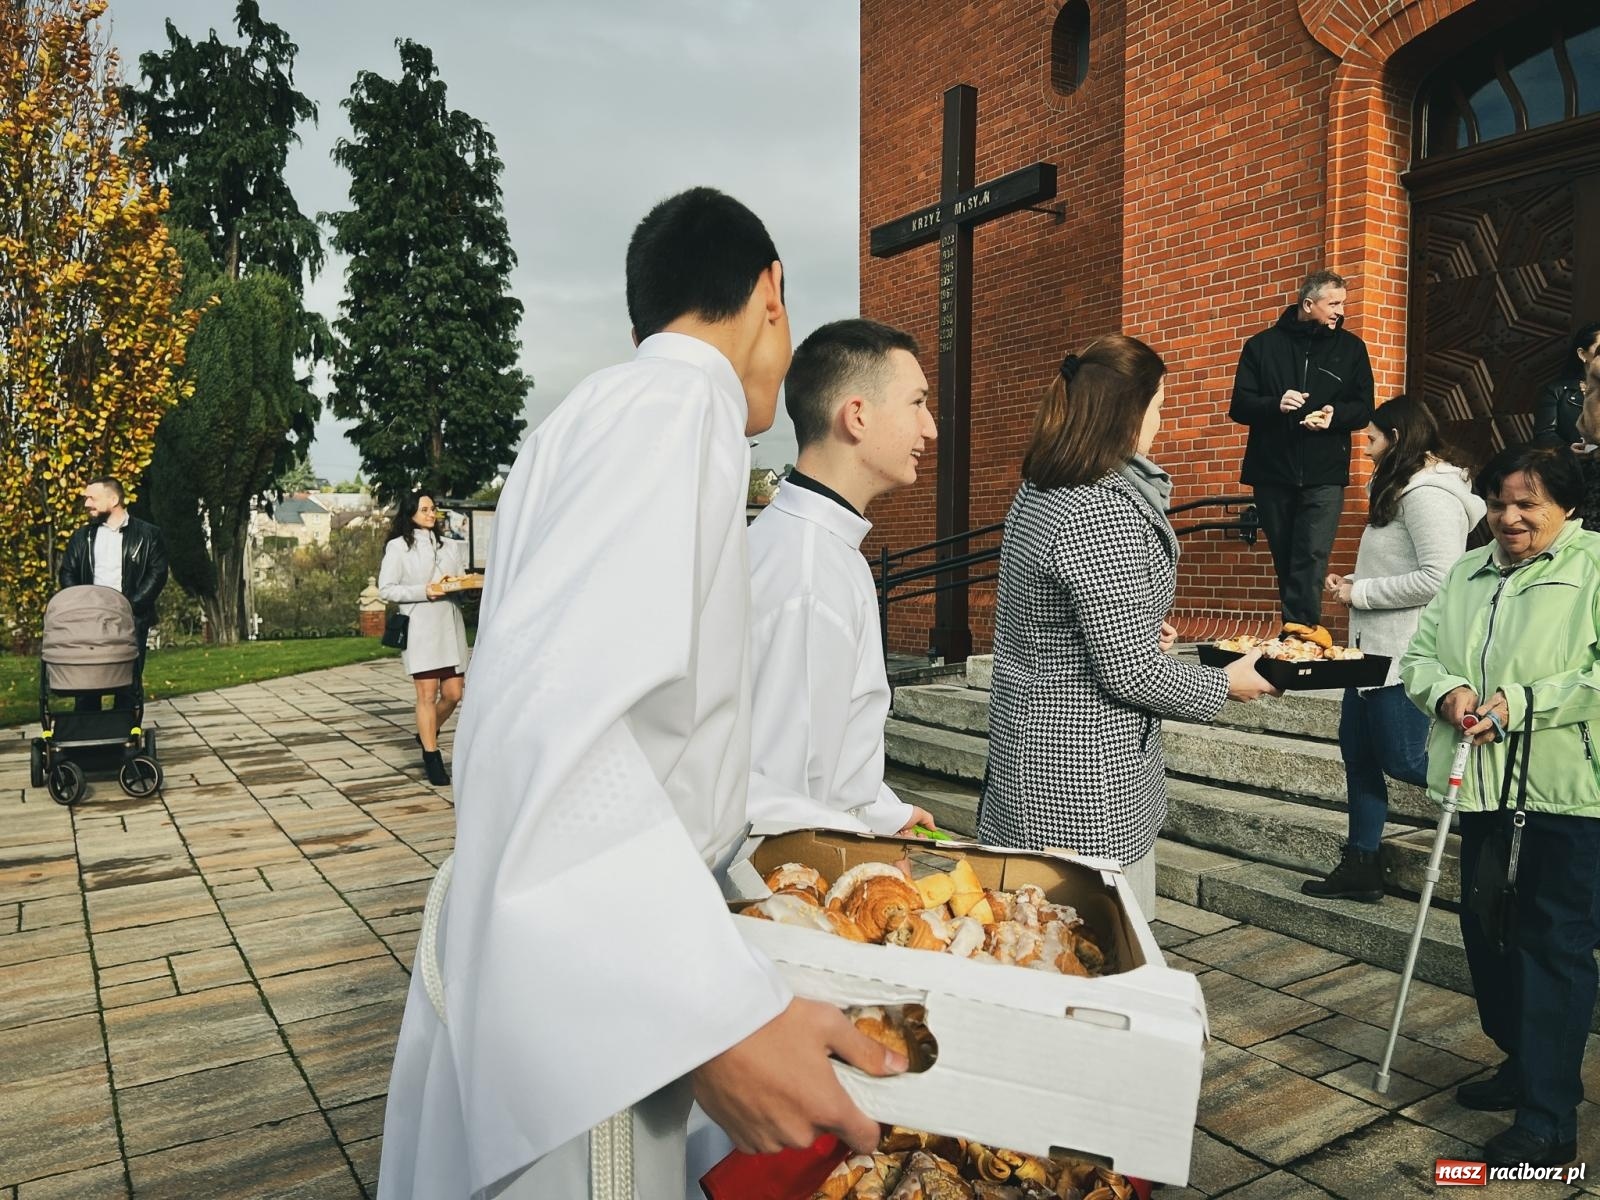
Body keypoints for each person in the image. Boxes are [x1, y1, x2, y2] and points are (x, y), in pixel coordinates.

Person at [376, 188, 902, 1200]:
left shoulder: (601, 412)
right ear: (771, 291)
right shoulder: (672, 409)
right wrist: (708, 1020)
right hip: (593, 989)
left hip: (583, 937)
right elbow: (550, 727)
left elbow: (653, 732)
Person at [976, 336, 1279, 917]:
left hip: (1033, 767)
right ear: (1131, 411)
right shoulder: (1100, 505)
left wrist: (1139, 626)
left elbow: (1050, 621)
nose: (1161, 423)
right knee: (1100, 969)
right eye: (1160, 406)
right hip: (1080, 789)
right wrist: (1227, 685)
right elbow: (1129, 672)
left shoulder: (1043, 487)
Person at [1401, 443, 1600, 1170]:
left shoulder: (1594, 566)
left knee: (1553, 946)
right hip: (1480, 786)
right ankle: (1522, 1062)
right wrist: (1446, 689)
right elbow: (1419, 658)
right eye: (1497, 503)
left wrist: (1524, 703)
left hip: (1566, 795)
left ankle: (1548, 1120)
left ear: (1568, 506)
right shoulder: (1467, 570)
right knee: (1489, 935)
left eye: (1527, 504)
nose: (1509, 518)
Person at [745, 318, 939, 837]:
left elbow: (826, 755)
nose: (930, 428)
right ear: (856, 416)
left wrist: (882, 811)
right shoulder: (808, 574)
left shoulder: (820, 546)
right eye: (917, 403)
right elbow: (777, 803)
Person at [1301, 396, 1484, 901]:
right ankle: (1361, 865)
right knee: (1357, 756)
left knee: (1403, 759)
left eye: (1373, 439)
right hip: (1366, 652)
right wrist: (1358, 581)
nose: (1366, 450)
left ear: (1398, 439)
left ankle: (1489, 814)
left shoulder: (1430, 496)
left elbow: (1439, 579)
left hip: (1404, 656)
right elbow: (1401, 569)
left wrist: (1359, 593)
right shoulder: (1400, 490)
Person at [1229, 270, 1375, 630]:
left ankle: (1301, 635)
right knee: (1285, 556)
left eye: (1343, 303)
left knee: (1311, 554)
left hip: (1325, 471)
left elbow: (1364, 408)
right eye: (1334, 303)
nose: (1341, 310)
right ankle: (1296, 631)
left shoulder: (1352, 348)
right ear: (1308, 304)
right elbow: (1240, 405)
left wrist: (1333, 416)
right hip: (1272, 469)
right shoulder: (1261, 346)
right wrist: (1274, 404)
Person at [378, 491, 469, 787]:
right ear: (411, 512)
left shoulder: (450, 546)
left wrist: (462, 585)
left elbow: (458, 578)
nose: (432, 514)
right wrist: (424, 591)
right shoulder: (398, 547)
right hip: (422, 629)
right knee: (426, 695)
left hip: (449, 626)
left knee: (455, 693)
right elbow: (387, 589)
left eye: (433, 509)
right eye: (425, 509)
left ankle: (426, 731)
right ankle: (432, 756)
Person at [57, 477, 168, 711]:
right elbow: (67, 573)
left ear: (114, 499)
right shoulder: (82, 537)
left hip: (131, 618)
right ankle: (87, 736)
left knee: (127, 682)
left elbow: (157, 574)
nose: (86, 503)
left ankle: (126, 736)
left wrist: (130, 607)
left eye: (92, 498)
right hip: (89, 621)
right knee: (86, 682)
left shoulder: (148, 535)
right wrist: (82, 606)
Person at [1531, 320, 1600, 447]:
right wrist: (1568, 451)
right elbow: (1544, 435)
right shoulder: (1557, 391)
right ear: (1582, 354)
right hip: (1573, 464)